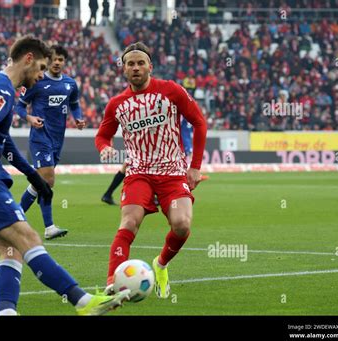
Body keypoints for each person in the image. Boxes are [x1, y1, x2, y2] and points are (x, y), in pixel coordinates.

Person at [0, 35, 129, 315]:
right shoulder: (3, 90)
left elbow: (2, 141)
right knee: (30, 239)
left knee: (11, 252)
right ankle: (82, 302)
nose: (42, 75)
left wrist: (32, 176)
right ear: (28, 59)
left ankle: (6, 313)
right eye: (41, 67)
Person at [95, 42, 208, 298]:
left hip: (172, 171)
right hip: (139, 173)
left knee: (182, 225)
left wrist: (195, 168)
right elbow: (103, 135)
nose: (135, 68)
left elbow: (199, 123)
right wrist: (104, 148)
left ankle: (161, 264)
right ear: (123, 69)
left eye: (140, 63)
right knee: (128, 222)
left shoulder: (171, 91)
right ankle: (113, 282)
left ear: (150, 67)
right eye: (130, 64)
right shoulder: (117, 104)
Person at [15, 45, 86, 240]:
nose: (57, 63)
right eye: (54, 59)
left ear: (64, 62)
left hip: (57, 140)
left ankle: (15, 218)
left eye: (61, 59)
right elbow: (19, 106)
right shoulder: (36, 81)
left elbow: (74, 103)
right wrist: (29, 118)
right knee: (48, 180)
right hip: (40, 137)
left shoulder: (70, 84)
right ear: (48, 61)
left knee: (41, 184)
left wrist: (78, 118)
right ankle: (47, 226)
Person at [101, 119, 192, 205]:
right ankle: (109, 194)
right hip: (146, 145)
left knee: (127, 167)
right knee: (148, 167)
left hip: (142, 143)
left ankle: (108, 194)